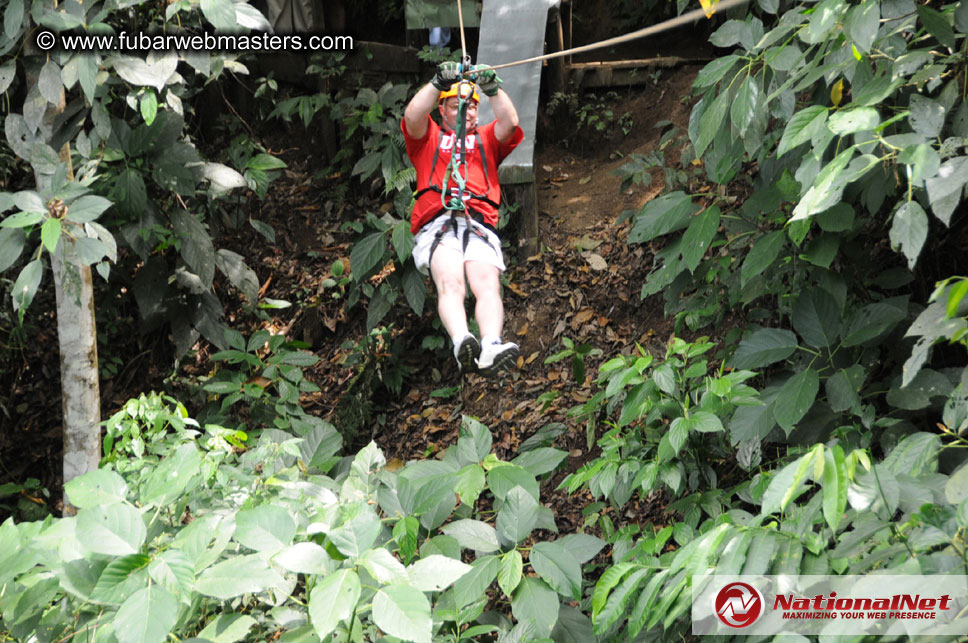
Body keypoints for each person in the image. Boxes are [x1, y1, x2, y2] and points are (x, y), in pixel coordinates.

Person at [402, 61, 524, 376]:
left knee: (487, 284)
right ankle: (461, 341)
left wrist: (492, 88)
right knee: (451, 281)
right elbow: (413, 116)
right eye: (458, 106)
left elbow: (509, 122)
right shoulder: (428, 137)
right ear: (442, 110)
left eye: (471, 108)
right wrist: (437, 82)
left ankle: (492, 345)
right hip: (439, 222)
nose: (466, 112)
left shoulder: (486, 139)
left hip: (478, 222)